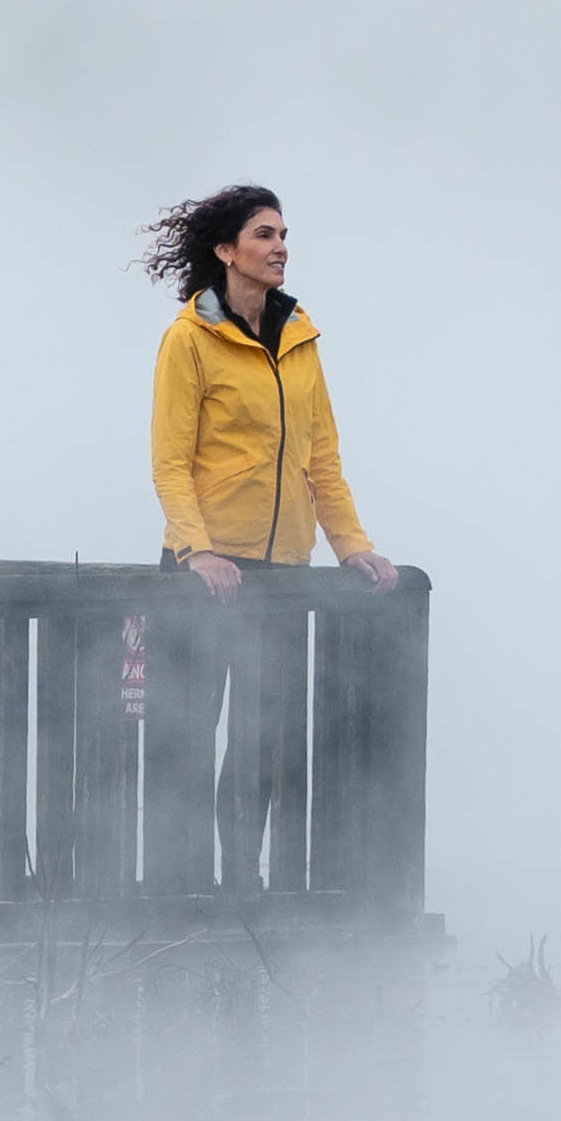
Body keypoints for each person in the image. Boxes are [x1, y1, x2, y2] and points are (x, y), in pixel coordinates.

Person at [138, 184, 400, 894]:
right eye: (262, 234)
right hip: (206, 572)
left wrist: (352, 545)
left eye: (283, 233)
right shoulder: (189, 339)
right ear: (226, 251)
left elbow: (322, 460)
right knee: (189, 734)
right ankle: (178, 887)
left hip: (282, 569)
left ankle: (242, 886)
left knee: (260, 741)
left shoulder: (300, 339)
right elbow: (170, 460)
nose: (280, 245)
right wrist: (198, 549)